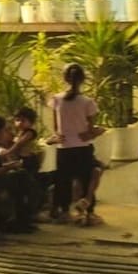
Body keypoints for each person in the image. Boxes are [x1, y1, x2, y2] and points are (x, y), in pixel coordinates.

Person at [49, 63, 99, 224]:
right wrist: (97, 131)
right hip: (83, 147)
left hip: (64, 147)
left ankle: (64, 212)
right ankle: (88, 213)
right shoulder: (88, 102)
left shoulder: (56, 99)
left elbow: (56, 128)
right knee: (86, 179)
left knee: (63, 180)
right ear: (82, 79)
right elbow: (90, 129)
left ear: (65, 78)